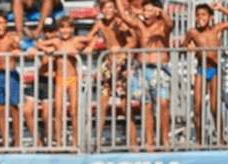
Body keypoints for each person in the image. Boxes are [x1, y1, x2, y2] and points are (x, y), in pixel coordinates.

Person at [115, 0, 174, 151]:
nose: (146, 14)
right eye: (145, 11)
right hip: (141, 69)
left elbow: (170, 23)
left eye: (149, 11)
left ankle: (165, 139)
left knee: (163, 104)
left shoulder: (163, 25)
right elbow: (123, 16)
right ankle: (149, 142)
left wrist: (159, 12)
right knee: (146, 107)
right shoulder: (140, 26)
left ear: (157, 11)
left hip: (159, 68)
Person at [85, 0, 138, 148]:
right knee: (102, 104)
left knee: (125, 105)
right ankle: (97, 141)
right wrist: (88, 45)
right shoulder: (100, 23)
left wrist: (120, 50)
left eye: (110, 7)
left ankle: (133, 143)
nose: (108, 10)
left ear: (115, 9)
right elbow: (89, 37)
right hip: (107, 66)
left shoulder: (120, 22)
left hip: (122, 66)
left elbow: (133, 42)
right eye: (105, 7)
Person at [35, 16, 92, 148]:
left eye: (68, 28)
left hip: (72, 79)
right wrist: (46, 49)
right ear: (59, 29)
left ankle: (75, 142)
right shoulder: (56, 42)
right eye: (62, 28)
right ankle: (59, 143)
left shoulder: (76, 40)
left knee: (73, 111)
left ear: (72, 29)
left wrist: (89, 48)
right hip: (60, 79)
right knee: (58, 111)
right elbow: (38, 44)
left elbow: (92, 39)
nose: (65, 31)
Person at [182, 2, 228, 146]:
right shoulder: (193, 32)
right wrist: (187, 47)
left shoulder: (217, 29)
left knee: (214, 107)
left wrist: (221, 8)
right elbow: (184, 44)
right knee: (197, 106)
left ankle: (220, 138)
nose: (200, 18)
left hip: (214, 70)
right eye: (197, 15)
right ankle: (199, 141)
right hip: (201, 69)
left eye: (203, 15)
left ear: (210, 17)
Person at [0, 11, 23, 148]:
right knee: (0, 109)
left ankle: (17, 141)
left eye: (4, 22)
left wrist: (17, 50)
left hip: (11, 73)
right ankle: (4, 140)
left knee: (14, 108)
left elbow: (19, 51)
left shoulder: (11, 38)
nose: (1, 26)